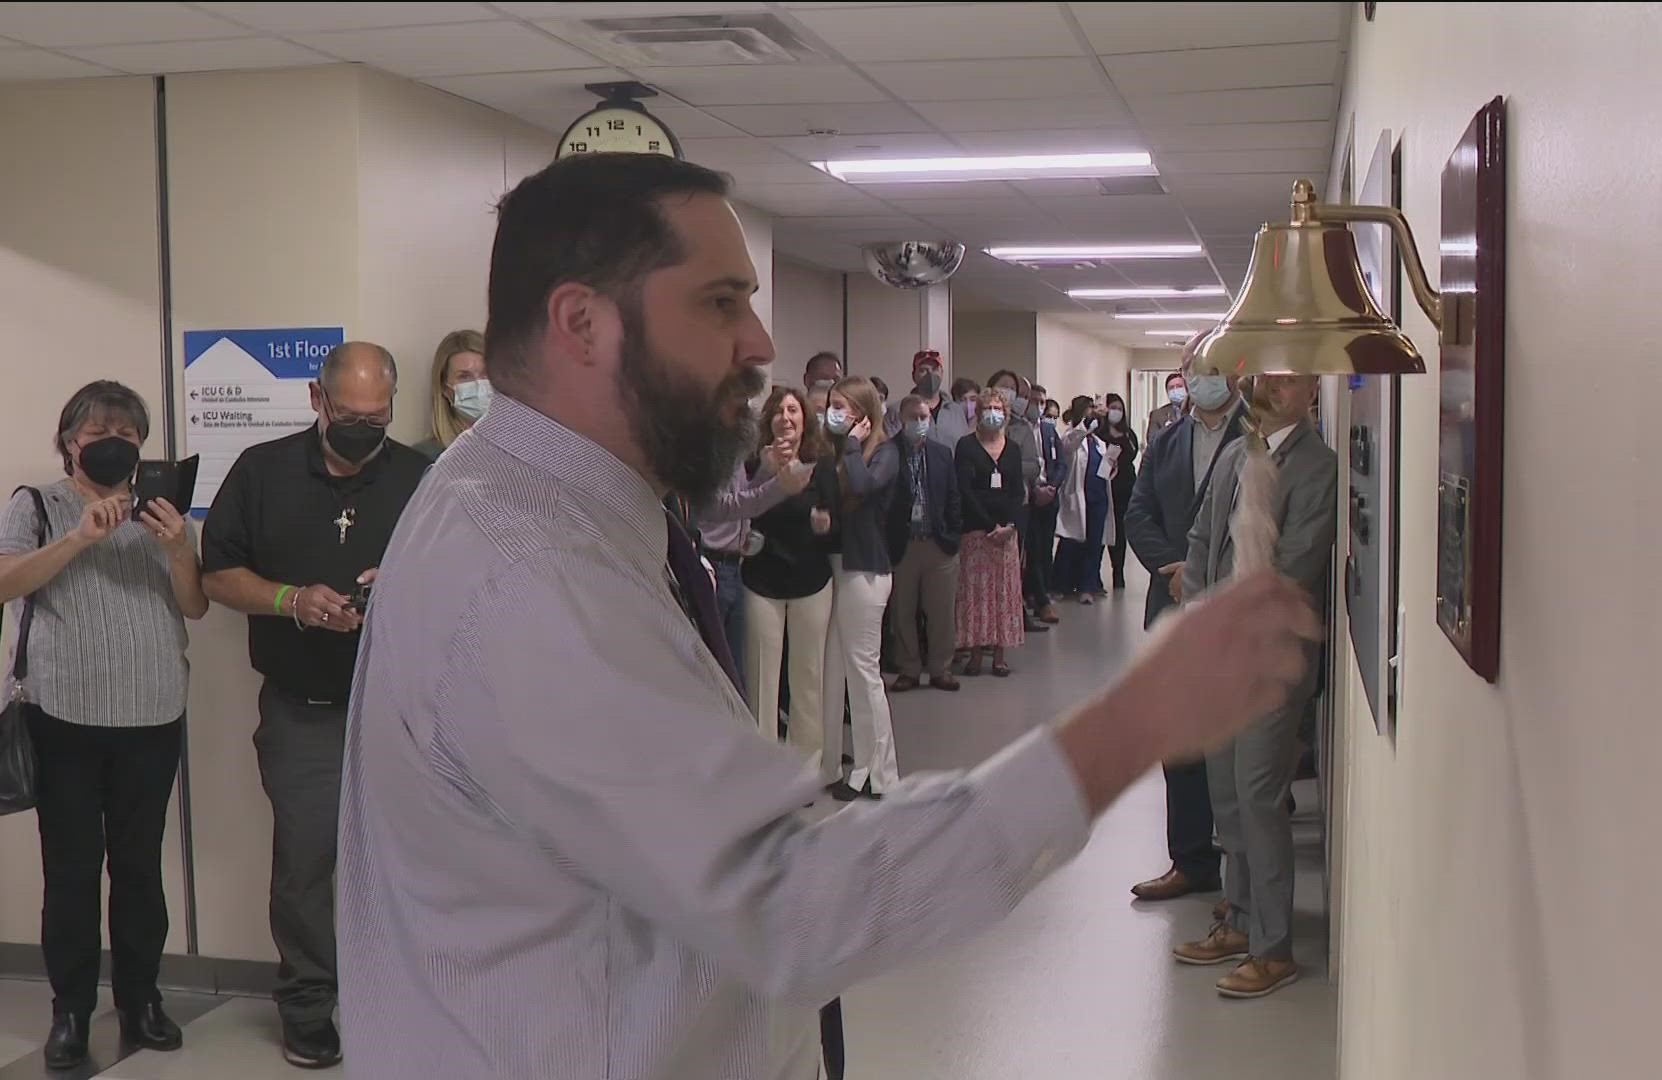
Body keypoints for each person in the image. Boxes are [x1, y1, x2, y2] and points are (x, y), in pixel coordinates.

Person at [334, 151, 1321, 1080]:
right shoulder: (523, 575)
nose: (760, 346)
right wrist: (1136, 721)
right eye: (721, 304)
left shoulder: (539, 509)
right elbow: (791, 898)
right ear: (583, 323)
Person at [200, 341, 430, 1070]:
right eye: (349, 414)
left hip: (400, 709)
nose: (365, 427)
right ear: (316, 401)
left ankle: (401, 999)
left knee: (406, 862)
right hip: (304, 710)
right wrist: (290, 601)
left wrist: (401, 584)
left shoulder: (422, 478)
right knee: (305, 862)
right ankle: (307, 1007)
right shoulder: (262, 472)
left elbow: (464, 576)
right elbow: (217, 574)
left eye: (378, 414)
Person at [0, 382, 206, 1069]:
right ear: (69, 441)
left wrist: (179, 548)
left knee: (141, 869)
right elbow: (5, 582)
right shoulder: (36, 503)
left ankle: (142, 1000)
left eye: (128, 430)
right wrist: (79, 539)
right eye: (99, 429)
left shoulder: (161, 512)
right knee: (72, 873)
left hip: (152, 715)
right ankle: (72, 1014)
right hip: (63, 720)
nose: (114, 439)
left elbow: (195, 607)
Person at [1173, 373, 1337, 999]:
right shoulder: (1241, 452)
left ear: (1311, 392)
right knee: (1226, 791)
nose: (1273, 388)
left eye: (1289, 380)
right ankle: (1239, 922)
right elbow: (1200, 541)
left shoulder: (1316, 465)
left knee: (1259, 794)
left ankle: (1273, 948)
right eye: (1264, 376)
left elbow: (1294, 567)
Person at [1124, 359, 1249, 903]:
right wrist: (1173, 568)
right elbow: (1137, 513)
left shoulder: (1258, 437)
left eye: (1217, 369)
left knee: (1235, 740)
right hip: (1172, 604)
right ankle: (1191, 858)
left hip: (1233, 607)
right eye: (1196, 370)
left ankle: (1242, 867)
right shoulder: (1167, 441)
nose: (1206, 380)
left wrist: (1199, 575)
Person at [739, 387, 838, 772]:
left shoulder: (820, 462)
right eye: (779, 410)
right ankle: (765, 769)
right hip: (761, 579)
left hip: (810, 580)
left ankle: (805, 767)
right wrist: (766, 471)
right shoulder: (752, 462)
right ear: (769, 420)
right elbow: (738, 506)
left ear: (804, 419)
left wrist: (824, 524)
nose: (786, 416)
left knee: (807, 678)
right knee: (762, 678)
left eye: (793, 409)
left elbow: (834, 517)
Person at [819, 375, 901, 801]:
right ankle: (833, 763)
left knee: (864, 674)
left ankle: (877, 772)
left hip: (866, 574)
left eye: (843, 406)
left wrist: (853, 447)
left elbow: (866, 488)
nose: (834, 412)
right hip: (834, 567)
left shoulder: (883, 452)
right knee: (835, 670)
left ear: (864, 414)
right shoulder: (834, 452)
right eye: (832, 405)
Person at [690, 435, 815, 671]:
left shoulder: (733, 446)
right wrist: (778, 486)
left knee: (735, 667)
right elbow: (718, 506)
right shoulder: (706, 444)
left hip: (735, 566)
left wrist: (765, 473)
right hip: (712, 564)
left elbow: (743, 498)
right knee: (714, 667)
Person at [884, 393, 963, 693]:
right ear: (901, 420)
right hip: (903, 546)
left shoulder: (942, 453)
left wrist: (953, 534)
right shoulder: (888, 452)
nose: (919, 423)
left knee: (941, 612)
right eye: (913, 418)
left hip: (938, 543)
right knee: (903, 612)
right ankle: (909, 668)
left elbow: (954, 497)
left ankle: (941, 668)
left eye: (924, 417)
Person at [952, 388, 1027, 678]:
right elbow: (965, 490)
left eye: (998, 408)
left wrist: (1008, 525)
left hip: (1006, 533)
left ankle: (999, 655)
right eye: (987, 408)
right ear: (979, 414)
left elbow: (1017, 490)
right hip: (975, 531)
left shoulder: (1014, 449)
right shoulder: (966, 446)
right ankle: (974, 653)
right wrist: (989, 526)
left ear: (1005, 414)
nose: (993, 413)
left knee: (1003, 592)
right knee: (975, 593)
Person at [985, 370, 1047, 634]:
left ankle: (1016, 615)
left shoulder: (1022, 428)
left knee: (1013, 564)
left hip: (1015, 502)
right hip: (983, 503)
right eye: (1004, 388)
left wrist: (1005, 465)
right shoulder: (979, 424)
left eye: (1015, 391)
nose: (1010, 394)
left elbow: (1033, 466)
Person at [1052, 396, 1118, 604]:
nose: (1094, 413)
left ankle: (1087, 587)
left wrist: (1111, 466)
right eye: (1089, 409)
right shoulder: (1071, 436)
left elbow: (1103, 468)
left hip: (1098, 498)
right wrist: (1085, 425)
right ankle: (1060, 585)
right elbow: (1069, 447)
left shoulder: (1098, 442)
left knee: (1095, 544)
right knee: (1070, 543)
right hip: (1078, 497)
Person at [1023, 380, 1066, 625]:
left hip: (1049, 497)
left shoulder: (1049, 430)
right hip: (1029, 497)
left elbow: (1061, 463)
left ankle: (1042, 594)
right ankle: (1040, 601)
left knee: (1045, 550)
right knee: (1033, 550)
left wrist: (1052, 487)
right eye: (1034, 402)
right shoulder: (1018, 429)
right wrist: (1035, 490)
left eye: (1042, 402)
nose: (1038, 407)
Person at [413, 329, 488, 461]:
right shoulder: (425, 457)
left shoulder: (520, 446)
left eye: (486, 374)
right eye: (464, 377)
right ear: (445, 388)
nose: (479, 384)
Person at [1100, 393, 1142, 592]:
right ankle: (1094, 576)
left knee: (1120, 531)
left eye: (1119, 408)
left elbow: (1133, 454)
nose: (1116, 412)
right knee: (1102, 530)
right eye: (1112, 407)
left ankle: (1118, 572)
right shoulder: (1099, 432)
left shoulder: (1128, 434)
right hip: (1104, 485)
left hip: (1125, 486)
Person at [908, 350, 974, 450]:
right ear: (914, 375)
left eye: (935, 369)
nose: (930, 374)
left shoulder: (956, 411)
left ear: (942, 373)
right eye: (923, 370)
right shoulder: (900, 410)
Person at [1147, 372, 1188, 439]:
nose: (1175, 390)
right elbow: (1152, 441)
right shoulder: (1157, 415)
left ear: (1187, 389)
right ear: (1167, 392)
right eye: (1171, 388)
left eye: (1179, 386)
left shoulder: (1196, 411)